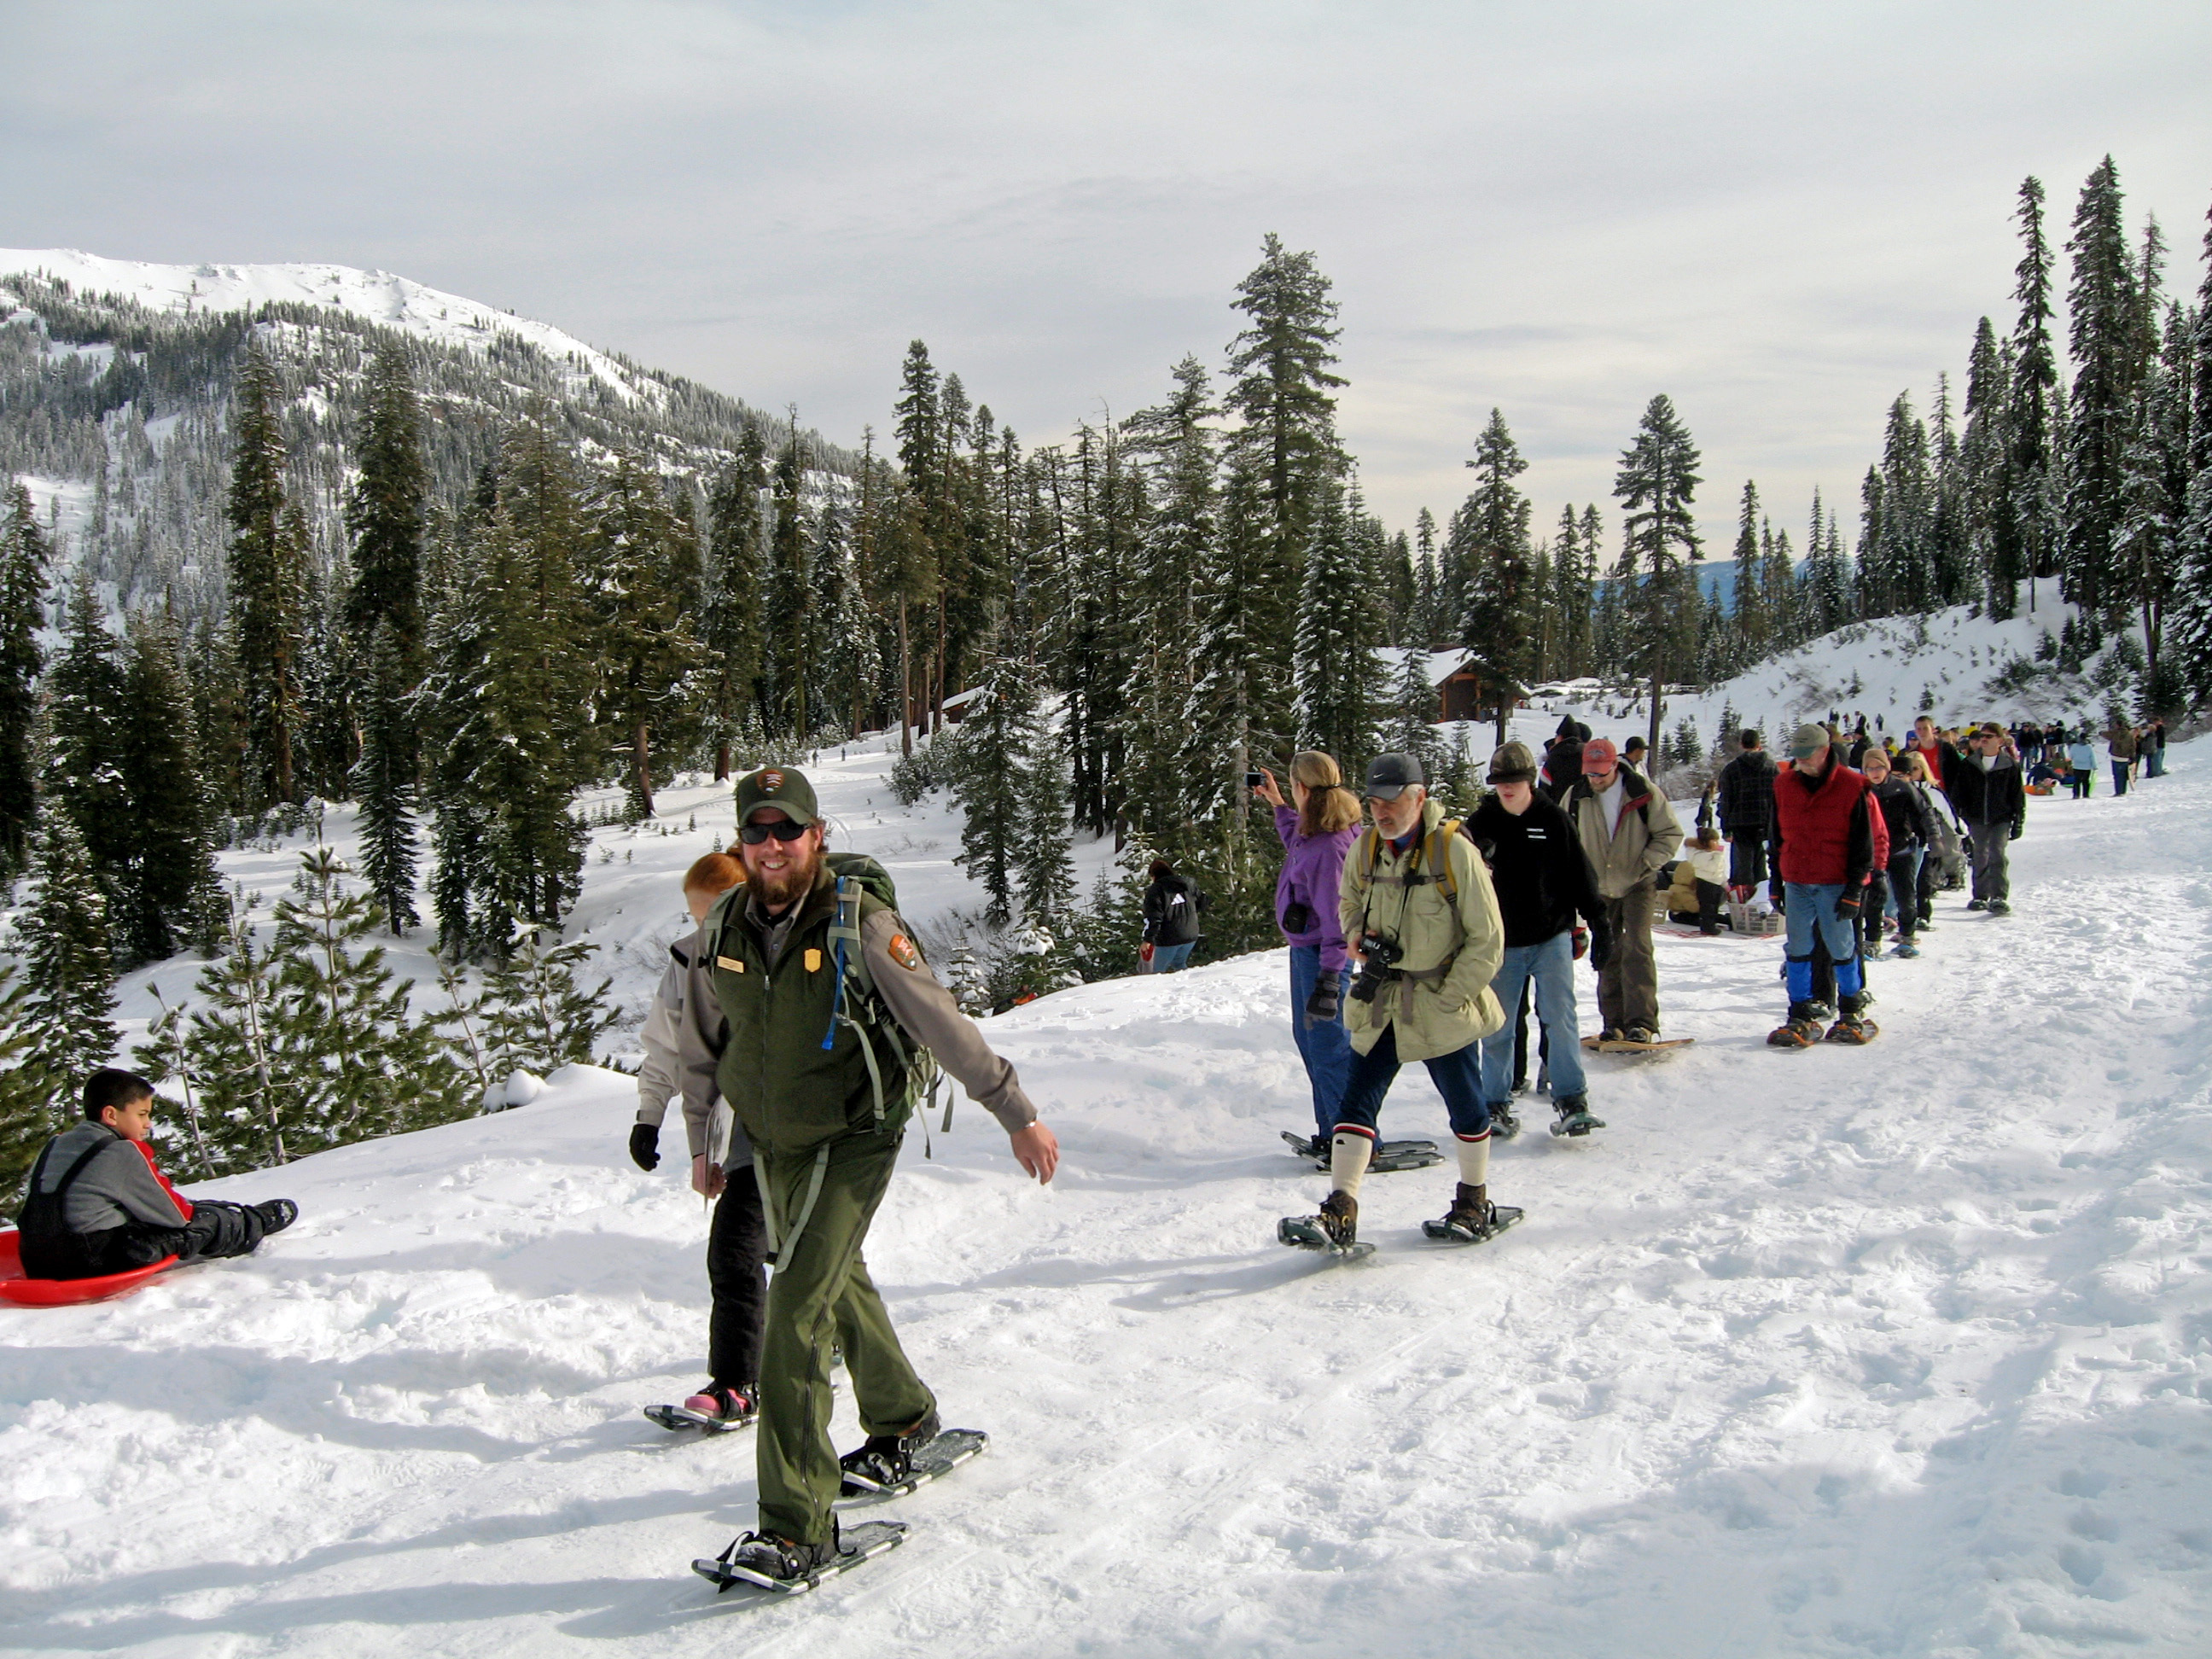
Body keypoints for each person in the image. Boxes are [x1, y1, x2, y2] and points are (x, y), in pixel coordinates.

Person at [673, 766, 1059, 1583]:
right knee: (835, 1278)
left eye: (788, 831)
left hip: (855, 1133)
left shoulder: (859, 921)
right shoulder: (727, 929)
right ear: (740, 847)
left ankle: (797, 1526)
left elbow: (938, 1018)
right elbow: (703, 1041)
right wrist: (704, 1140)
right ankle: (906, 1418)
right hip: (774, 1140)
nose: (772, 847)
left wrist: (1014, 1109)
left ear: (817, 835)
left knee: (795, 1318)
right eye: (757, 833)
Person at [1278, 753, 1511, 1250]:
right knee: (1357, 1098)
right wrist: (1358, 933)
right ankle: (1340, 1208)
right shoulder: (1365, 849)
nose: (1382, 812)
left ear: (1419, 797)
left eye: (1393, 801)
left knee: (1465, 1103)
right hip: (1384, 996)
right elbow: (1347, 904)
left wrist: (1452, 996)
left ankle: (1473, 1199)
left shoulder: (1454, 852)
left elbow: (1487, 939)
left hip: (1440, 998)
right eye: (1375, 802)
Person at [631, 852, 764, 1429]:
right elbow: (668, 1049)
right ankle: (735, 1380)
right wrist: (648, 1118)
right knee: (739, 1250)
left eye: (713, 916)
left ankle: (755, 1371)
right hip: (740, 1134)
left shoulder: (776, 955)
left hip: (802, 1127)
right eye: (693, 916)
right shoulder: (687, 963)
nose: (703, 930)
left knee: (795, 1252)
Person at [15, 1068, 296, 1279]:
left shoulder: (56, 1144)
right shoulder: (122, 1151)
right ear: (111, 1115)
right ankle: (257, 1221)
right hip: (91, 1262)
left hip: (36, 1260)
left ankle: (239, 1215)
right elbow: (175, 1216)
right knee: (200, 1222)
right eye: (142, 1114)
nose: (148, 1124)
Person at [1466, 742, 1606, 1138]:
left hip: (1551, 935)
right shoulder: (1480, 824)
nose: (1507, 789)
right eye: (1500, 782)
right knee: (1499, 1026)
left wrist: (1599, 921)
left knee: (1559, 1017)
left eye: (1514, 781)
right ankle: (1493, 1102)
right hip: (1502, 943)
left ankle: (1571, 1098)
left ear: (1529, 780)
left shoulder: (1554, 819)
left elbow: (1580, 874)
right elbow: (1458, 886)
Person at [1254, 754, 1364, 1158]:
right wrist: (1279, 805)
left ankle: (1351, 1138)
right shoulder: (1316, 830)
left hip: (1324, 956)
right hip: (1308, 952)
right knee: (1311, 1038)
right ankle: (1331, 1130)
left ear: (1304, 786)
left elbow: (1340, 923)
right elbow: (1297, 847)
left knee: (1329, 1044)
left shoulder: (1330, 846)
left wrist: (1330, 979)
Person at [1564, 736, 1683, 1044]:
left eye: (1600, 774)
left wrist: (1648, 861)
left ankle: (1642, 1023)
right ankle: (1614, 1021)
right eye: (1589, 773)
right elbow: (1562, 839)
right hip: (1599, 888)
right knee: (1608, 952)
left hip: (1638, 882)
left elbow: (1670, 833)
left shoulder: (1642, 793)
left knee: (1637, 949)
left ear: (1614, 766)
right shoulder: (1575, 796)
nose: (1594, 780)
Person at [1767, 725, 1879, 1046]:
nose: (1800, 762)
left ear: (1824, 750)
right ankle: (1799, 1010)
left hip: (1835, 882)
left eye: (1806, 756)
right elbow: (1775, 838)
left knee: (1841, 947)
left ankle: (1851, 1008)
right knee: (1798, 948)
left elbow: (1863, 845)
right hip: (1797, 880)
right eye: (1796, 756)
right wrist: (1776, 881)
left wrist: (1855, 890)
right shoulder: (1783, 785)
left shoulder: (1853, 786)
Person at [1924, 719, 2025, 915]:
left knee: (1997, 854)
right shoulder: (1970, 764)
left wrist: (2018, 819)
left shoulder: (2009, 765)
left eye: (1989, 737)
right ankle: (1980, 895)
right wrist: (1960, 814)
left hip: (2001, 817)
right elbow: (1960, 791)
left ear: (2000, 740)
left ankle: (1999, 896)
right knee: (1980, 855)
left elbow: (2017, 795)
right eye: (1982, 736)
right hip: (1977, 817)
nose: (1984, 740)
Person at [1861, 748, 1932, 959]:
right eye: (1870, 768)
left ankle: (1907, 936)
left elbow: (1924, 812)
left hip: (1902, 848)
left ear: (1887, 768)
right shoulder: (1862, 791)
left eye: (1879, 767)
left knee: (1905, 895)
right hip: (1873, 853)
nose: (1875, 772)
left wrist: (1931, 838)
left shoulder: (1903, 788)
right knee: (1875, 897)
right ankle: (1872, 939)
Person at [1715, 729, 1777, 894]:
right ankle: (1761, 900)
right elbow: (1778, 799)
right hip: (1765, 823)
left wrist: (1726, 827)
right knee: (1761, 865)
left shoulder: (1732, 769)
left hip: (1740, 824)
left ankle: (1743, 903)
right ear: (1759, 745)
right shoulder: (1772, 768)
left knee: (1742, 866)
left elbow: (1726, 800)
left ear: (1742, 745)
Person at [1139, 858, 1204, 973]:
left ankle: (1152, 990)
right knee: (1179, 964)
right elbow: (1203, 901)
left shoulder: (1156, 890)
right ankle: (1188, 986)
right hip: (1191, 935)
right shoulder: (1186, 884)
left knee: (1154, 973)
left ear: (1154, 875)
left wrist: (1148, 940)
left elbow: (1153, 918)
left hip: (1168, 939)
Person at [1668, 828, 1729, 934]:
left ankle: (1713, 924)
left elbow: (1720, 870)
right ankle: (1708, 927)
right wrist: (1719, 854)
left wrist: (1725, 883)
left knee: (1714, 906)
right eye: (1714, 841)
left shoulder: (1711, 854)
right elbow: (1712, 867)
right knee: (1708, 907)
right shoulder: (1698, 855)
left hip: (1716, 882)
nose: (1717, 844)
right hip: (1706, 882)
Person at [1540, 715, 1588, 801]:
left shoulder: (1553, 759)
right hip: (1583, 809)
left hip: (1557, 811)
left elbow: (1543, 791)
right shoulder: (1587, 755)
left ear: (1560, 737)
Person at [2106, 719, 2138, 798]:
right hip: (2125, 757)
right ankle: (2123, 790)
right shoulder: (2129, 735)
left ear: (2117, 725)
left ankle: (2118, 791)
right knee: (2124, 775)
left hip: (2115, 757)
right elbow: (2133, 747)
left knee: (2117, 775)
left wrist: (2101, 733)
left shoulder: (2115, 733)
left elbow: (2106, 735)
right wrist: (2132, 757)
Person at [2066, 729, 2096, 797]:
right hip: (2087, 767)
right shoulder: (2089, 747)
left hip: (2077, 766)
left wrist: (2069, 763)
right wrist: (2094, 766)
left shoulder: (2074, 746)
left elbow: (2070, 756)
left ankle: (2076, 794)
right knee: (2086, 781)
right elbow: (2092, 757)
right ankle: (2086, 794)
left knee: (2077, 781)